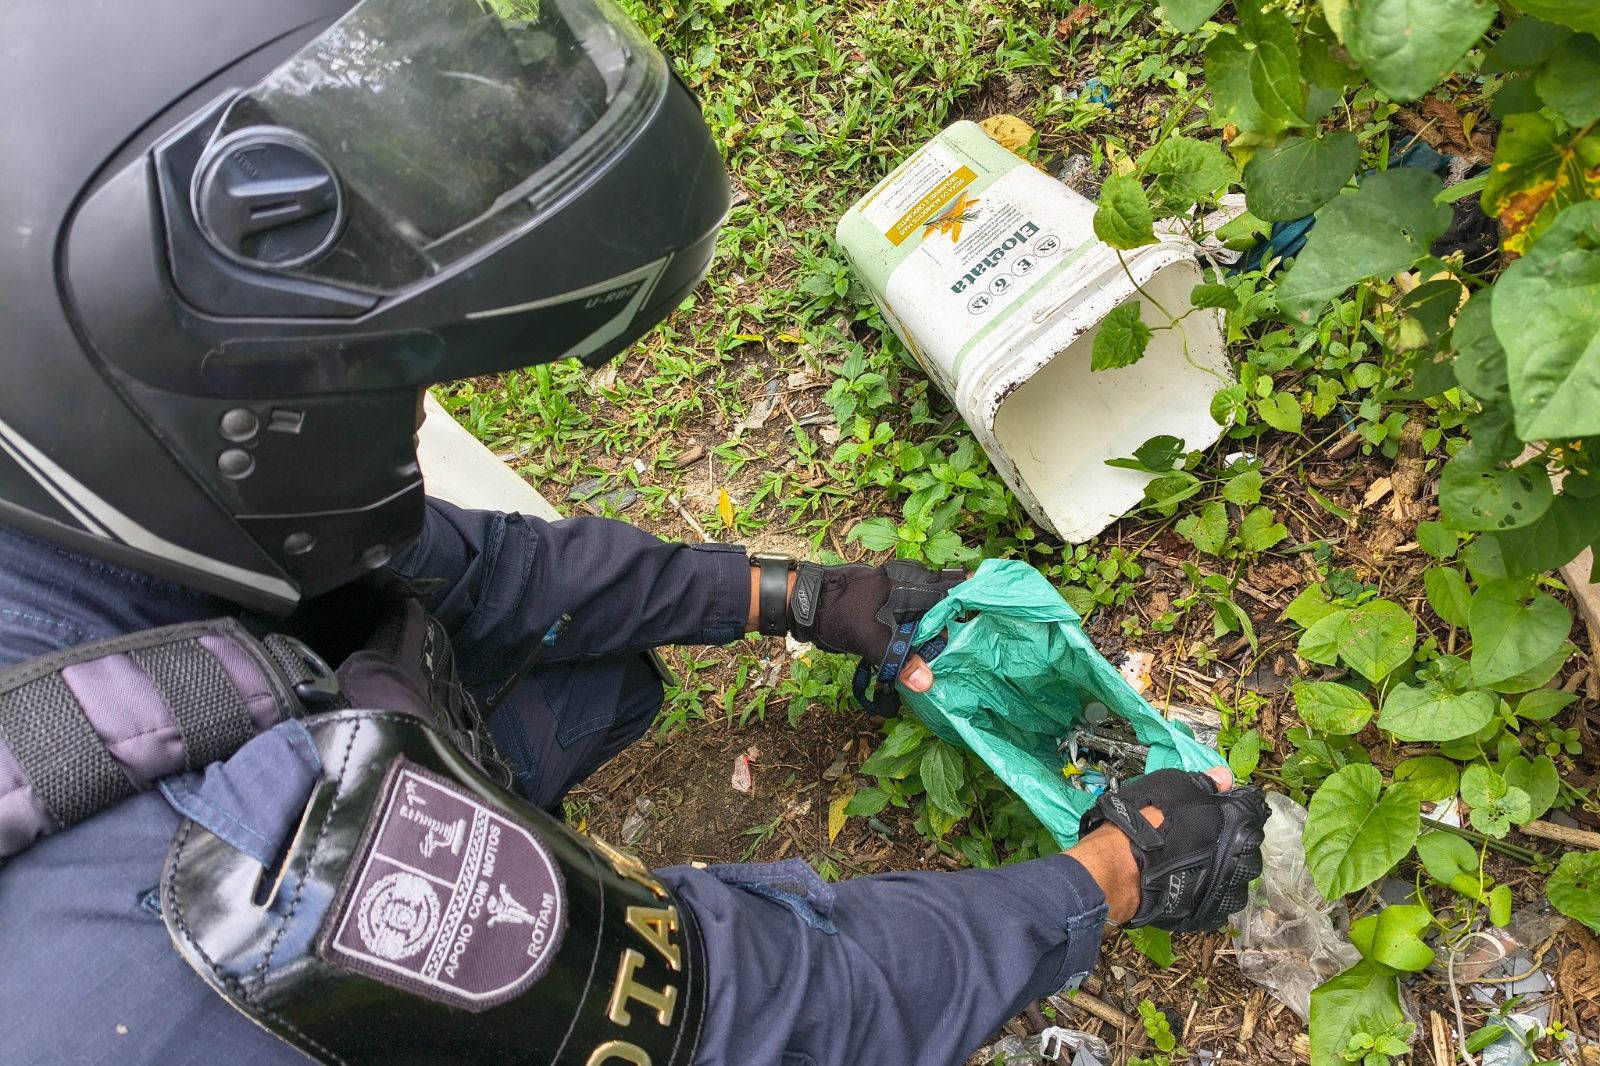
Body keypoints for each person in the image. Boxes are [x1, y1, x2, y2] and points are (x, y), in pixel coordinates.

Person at [0, 1, 1269, 1063]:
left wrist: (805, 597)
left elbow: (477, 571)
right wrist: (1105, 878)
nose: (411, 423)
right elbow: (739, 1007)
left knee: (570, 672)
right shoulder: (218, 925)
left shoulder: (93, 523)